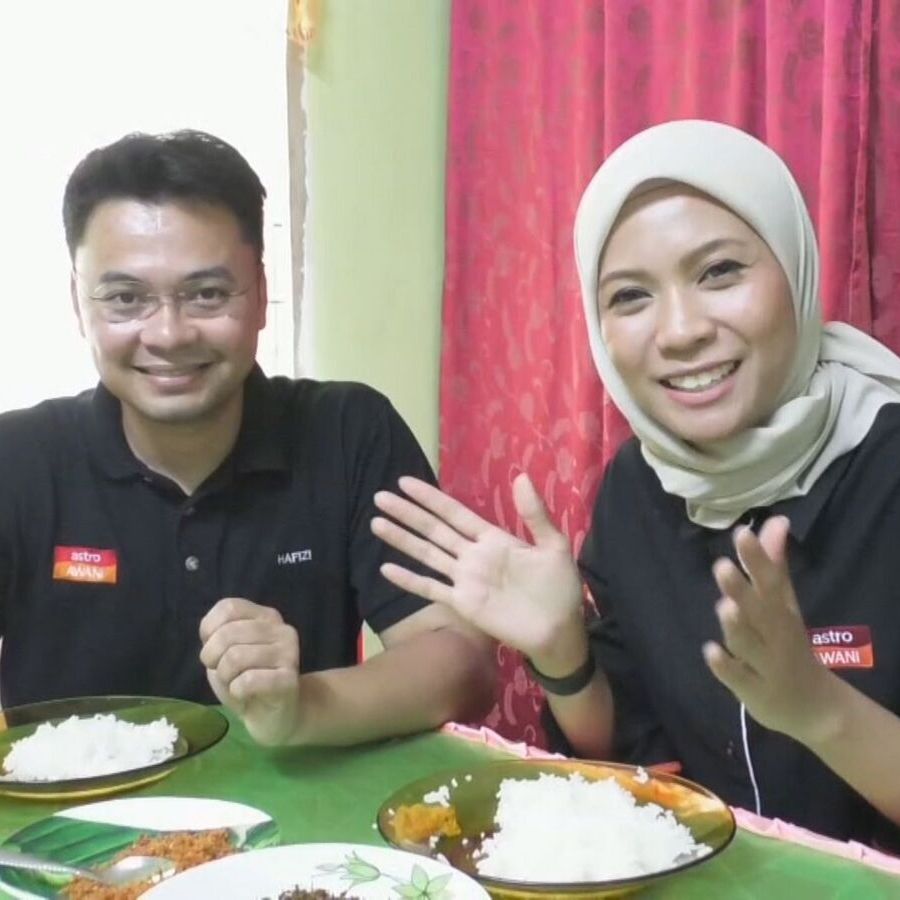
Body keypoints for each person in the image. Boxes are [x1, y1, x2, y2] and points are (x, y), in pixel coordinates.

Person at [371, 120, 900, 847]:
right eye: (629, 297)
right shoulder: (637, 490)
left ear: (795, 266)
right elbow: (625, 754)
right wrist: (563, 656)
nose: (679, 331)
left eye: (719, 271)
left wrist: (819, 710)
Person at [0, 129, 494, 747]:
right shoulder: (17, 461)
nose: (169, 334)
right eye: (126, 298)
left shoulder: (348, 431)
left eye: (207, 294)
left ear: (261, 294)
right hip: (73, 810)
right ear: (80, 305)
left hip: (298, 808)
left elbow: (462, 661)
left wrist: (304, 707)